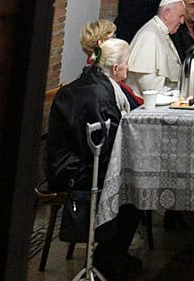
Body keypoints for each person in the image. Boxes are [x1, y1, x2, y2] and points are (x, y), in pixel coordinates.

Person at [46, 38, 142, 280]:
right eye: (127, 64)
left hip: (80, 160)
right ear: (117, 68)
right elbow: (103, 143)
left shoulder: (99, 84)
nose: (128, 68)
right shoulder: (99, 93)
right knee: (136, 190)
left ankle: (114, 253)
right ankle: (109, 255)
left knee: (137, 182)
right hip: (74, 169)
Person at [127, 0, 185, 96]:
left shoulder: (160, 31)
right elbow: (151, 89)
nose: (182, 21)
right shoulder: (149, 36)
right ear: (167, 14)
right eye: (180, 16)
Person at [79, 19, 142, 109]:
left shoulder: (93, 70)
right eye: (112, 38)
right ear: (101, 43)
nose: (116, 42)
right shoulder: (100, 74)